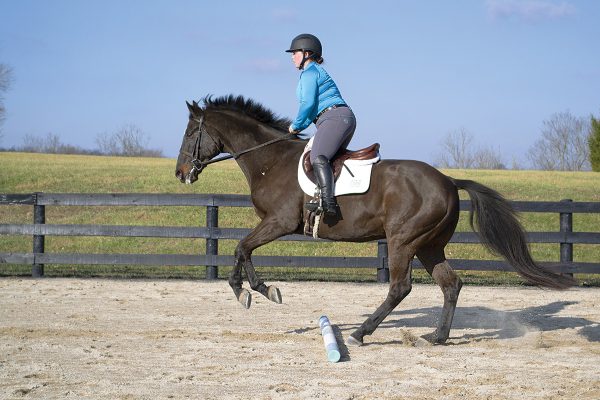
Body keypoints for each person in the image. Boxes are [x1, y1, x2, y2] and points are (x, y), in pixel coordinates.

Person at [286, 33, 356, 216]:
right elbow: (313, 110)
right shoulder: (313, 72)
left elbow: (307, 104)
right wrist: (300, 126)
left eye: (295, 52)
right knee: (327, 159)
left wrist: (296, 125)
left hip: (334, 118)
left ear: (307, 53)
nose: (292, 56)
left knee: (318, 156)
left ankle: (328, 203)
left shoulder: (310, 73)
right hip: (339, 117)